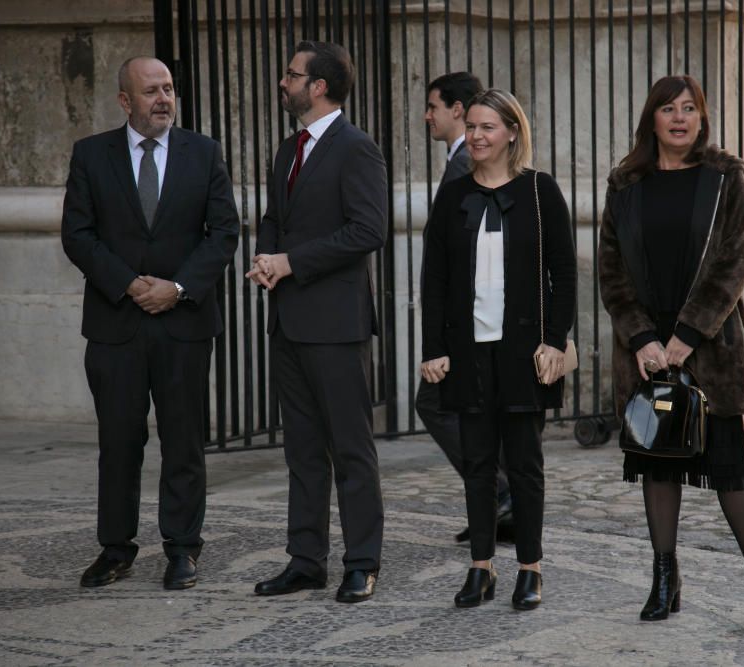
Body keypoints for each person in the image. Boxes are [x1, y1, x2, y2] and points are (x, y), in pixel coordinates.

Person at [597, 74, 744, 631]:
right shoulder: (625, 183)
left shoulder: (726, 179)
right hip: (646, 354)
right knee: (658, 464)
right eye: (668, 109)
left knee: (731, 469)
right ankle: (664, 577)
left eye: (690, 109)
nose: (679, 118)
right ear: (650, 118)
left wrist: (686, 336)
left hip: (709, 350)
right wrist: (643, 338)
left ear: (702, 119)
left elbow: (736, 263)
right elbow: (612, 272)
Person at [61, 56, 239, 590]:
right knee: (118, 441)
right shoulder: (91, 155)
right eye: (151, 91)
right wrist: (130, 283)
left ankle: (183, 548)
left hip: (182, 322)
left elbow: (223, 231)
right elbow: (78, 234)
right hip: (117, 323)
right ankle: (115, 548)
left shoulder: (202, 152)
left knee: (184, 440)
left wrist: (178, 287)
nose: (164, 99)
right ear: (125, 101)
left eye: (168, 89)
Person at [421, 88, 576, 611]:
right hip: (468, 352)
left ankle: (530, 568)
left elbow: (565, 275)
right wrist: (434, 348)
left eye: (488, 127)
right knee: (479, 464)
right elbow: (435, 278)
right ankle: (480, 568)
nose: (477, 136)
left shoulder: (539, 191)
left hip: (523, 353)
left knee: (526, 465)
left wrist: (555, 341)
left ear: (512, 132)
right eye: (472, 127)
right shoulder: (453, 195)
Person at [246, 41, 387, 603]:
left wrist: (292, 263)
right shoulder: (287, 150)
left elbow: (368, 230)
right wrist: (265, 257)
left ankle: (362, 562)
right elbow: (273, 218)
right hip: (288, 323)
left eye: (291, 74)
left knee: (351, 450)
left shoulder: (357, 149)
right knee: (301, 452)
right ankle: (306, 560)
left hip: (336, 326)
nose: (283, 82)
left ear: (319, 86)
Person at [419, 71, 515, 543]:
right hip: (473, 319)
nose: (427, 116)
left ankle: (499, 492)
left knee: (435, 402)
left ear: (457, 109)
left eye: (433, 106)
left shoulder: (465, 167)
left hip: (470, 320)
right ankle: (498, 502)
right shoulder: (459, 163)